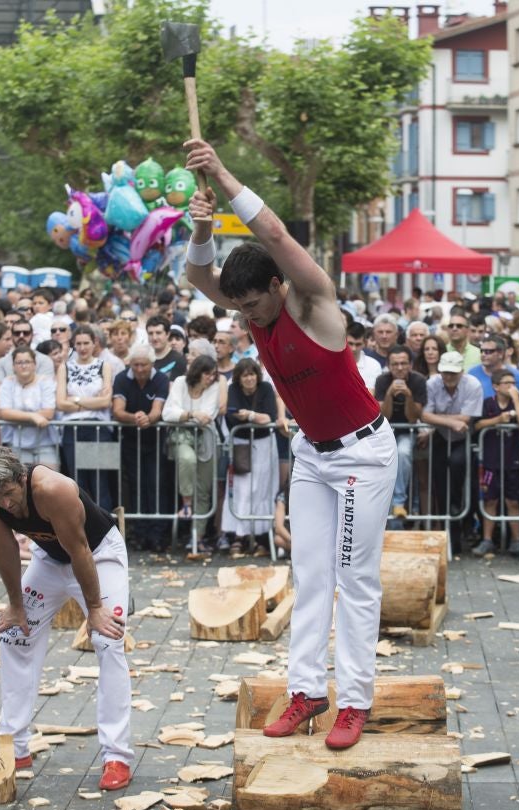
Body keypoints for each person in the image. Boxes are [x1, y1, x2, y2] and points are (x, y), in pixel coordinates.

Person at [185, 138, 396, 750]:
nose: (246, 315)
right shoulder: (254, 308)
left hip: (362, 456)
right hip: (311, 455)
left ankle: (355, 700)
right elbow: (200, 275)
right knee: (308, 574)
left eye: (253, 303)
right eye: (240, 307)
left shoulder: (313, 302)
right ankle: (308, 691)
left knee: (354, 581)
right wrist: (202, 230)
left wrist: (219, 173)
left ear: (279, 288)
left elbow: (275, 234)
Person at [0, 445, 132, 789]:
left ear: (22, 478)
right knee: (13, 635)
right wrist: (15, 606)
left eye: (9, 494)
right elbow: (3, 547)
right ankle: (13, 746)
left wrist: (94, 609)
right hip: (48, 560)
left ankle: (116, 756)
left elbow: (79, 550)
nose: (5, 504)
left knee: (108, 640)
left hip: (97, 555)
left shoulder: (53, 489)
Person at [422, 350, 483, 553]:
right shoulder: (432, 383)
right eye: (445, 372)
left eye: (453, 373)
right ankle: (448, 525)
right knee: (439, 481)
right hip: (441, 436)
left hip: (464, 438)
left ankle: (461, 512)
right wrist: (449, 421)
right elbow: (425, 414)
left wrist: (440, 419)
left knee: (459, 467)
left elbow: (466, 419)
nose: (448, 377)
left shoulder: (472, 384)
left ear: (461, 372)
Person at [112, 344, 171, 552]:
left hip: (155, 440)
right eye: (135, 365)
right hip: (131, 440)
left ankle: (157, 534)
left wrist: (148, 418)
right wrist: (134, 418)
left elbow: (157, 410)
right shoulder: (121, 378)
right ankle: (139, 533)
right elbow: (118, 410)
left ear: (151, 364)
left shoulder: (161, 379)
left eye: (143, 365)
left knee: (156, 485)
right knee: (136, 486)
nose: (139, 369)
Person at [162, 354, 222, 554]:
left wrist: (184, 415)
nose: (211, 378)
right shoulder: (180, 382)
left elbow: (209, 415)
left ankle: (198, 537)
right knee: (186, 459)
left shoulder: (214, 387)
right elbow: (167, 413)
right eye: (207, 373)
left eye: (213, 374)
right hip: (181, 438)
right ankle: (186, 502)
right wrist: (191, 415)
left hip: (206, 440)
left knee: (204, 490)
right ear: (198, 372)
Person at [222, 358, 278, 559]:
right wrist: (254, 416)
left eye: (252, 374)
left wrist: (250, 415)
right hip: (240, 444)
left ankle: (261, 535)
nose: (249, 378)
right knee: (242, 489)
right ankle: (239, 535)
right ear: (239, 377)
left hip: (263, 445)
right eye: (245, 375)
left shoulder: (266, 388)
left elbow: (268, 418)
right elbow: (232, 413)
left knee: (262, 490)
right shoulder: (233, 390)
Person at [56, 325, 114, 511]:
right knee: (77, 483)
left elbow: (105, 402)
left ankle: (106, 532)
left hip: (98, 428)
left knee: (100, 482)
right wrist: (91, 401)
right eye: (78, 343)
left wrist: (76, 400)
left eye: (86, 343)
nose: (82, 347)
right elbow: (60, 403)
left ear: (94, 343)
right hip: (72, 428)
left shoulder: (104, 365)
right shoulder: (65, 367)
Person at [472, 369, 519, 557]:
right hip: (491, 461)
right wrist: (497, 420)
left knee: (513, 501)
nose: (512, 386)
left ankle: (516, 541)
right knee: (490, 500)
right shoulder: (487, 404)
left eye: (514, 383)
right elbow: (478, 425)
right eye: (507, 383)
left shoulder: (517, 403)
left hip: (512, 460)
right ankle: (487, 539)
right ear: (495, 386)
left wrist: (517, 400)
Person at [375, 345, 426, 521]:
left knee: (403, 452)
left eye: (404, 363)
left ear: (410, 365)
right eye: (395, 364)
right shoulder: (382, 380)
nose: (399, 368)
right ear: (389, 365)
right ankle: (385, 506)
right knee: (385, 459)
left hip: (408, 429)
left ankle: (398, 502)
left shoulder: (418, 381)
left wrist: (409, 396)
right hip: (385, 431)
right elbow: (384, 416)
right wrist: (389, 395)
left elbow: (413, 418)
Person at [0, 347, 59, 468]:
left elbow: (48, 412)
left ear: (34, 364)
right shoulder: (8, 382)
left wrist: (17, 415)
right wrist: (33, 416)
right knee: (21, 483)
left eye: (27, 362)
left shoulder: (45, 381)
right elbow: (5, 412)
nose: (23, 366)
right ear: (13, 366)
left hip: (44, 443)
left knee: (49, 481)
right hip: (17, 443)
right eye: (19, 362)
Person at [468, 334, 519, 400]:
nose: (483, 355)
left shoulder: (517, 376)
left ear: (500, 354)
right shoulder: (472, 374)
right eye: (482, 351)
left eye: (488, 351)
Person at [146, 315, 186, 381]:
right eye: (150, 333)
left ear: (168, 334)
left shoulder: (178, 360)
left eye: (158, 333)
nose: (154, 338)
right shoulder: (143, 358)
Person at [346, 322, 381, 391]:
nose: (354, 348)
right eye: (350, 343)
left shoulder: (374, 365)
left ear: (365, 343)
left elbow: (371, 395)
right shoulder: (334, 363)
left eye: (358, 344)